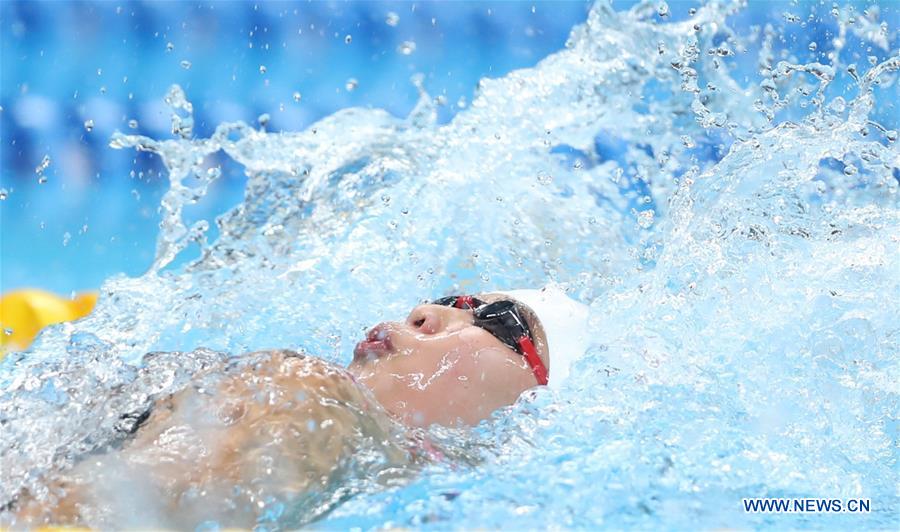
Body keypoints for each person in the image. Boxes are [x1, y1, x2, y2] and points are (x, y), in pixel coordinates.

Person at [6, 285, 589, 529]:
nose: (424, 312)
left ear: (532, 399)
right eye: (448, 299)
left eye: (497, 320)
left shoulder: (310, 394)